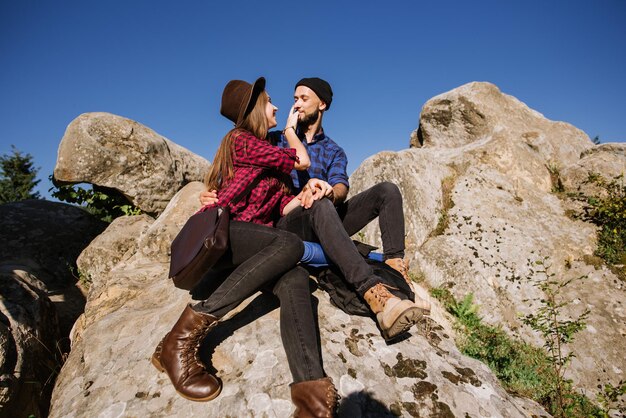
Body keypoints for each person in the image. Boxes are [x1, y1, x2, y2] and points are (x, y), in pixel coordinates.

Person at [152, 77, 339, 416]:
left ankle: (312, 399)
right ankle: (178, 341)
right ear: (255, 109)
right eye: (270, 102)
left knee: (294, 278)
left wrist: (308, 193)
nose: (279, 107)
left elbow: (283, 205)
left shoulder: (264, 155)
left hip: (256, 247)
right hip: (229, 239)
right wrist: (292, 130)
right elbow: (299, 159)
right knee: (289, 244)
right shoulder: (242, 140)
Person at [201, 78, 431, 339]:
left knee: (386, 191)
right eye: (294, 98)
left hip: (326, 215)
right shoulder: (274, 138)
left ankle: (397, 272)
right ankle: (375, 294)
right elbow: (236, 171)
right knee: (317, 206)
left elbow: (341, 187)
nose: (295, 104)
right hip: (289, 224)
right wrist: (211, 193)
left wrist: (330, 192)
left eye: (303, 98)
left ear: (322, 104)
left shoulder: (334, 151)